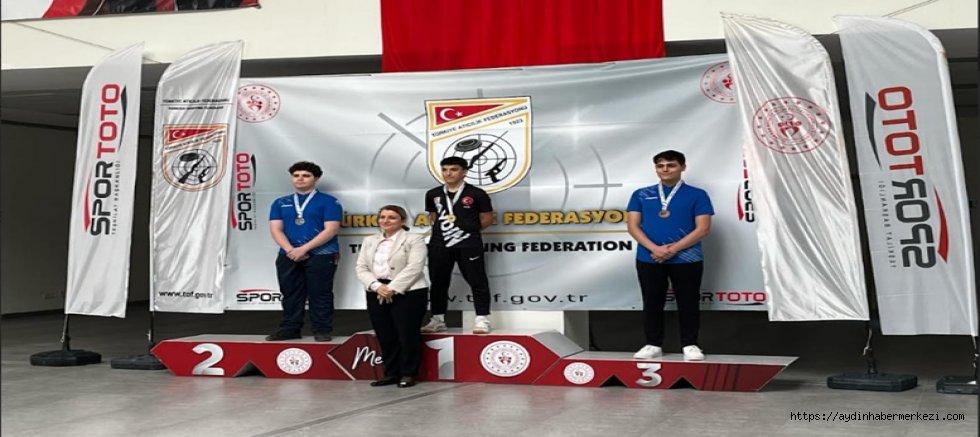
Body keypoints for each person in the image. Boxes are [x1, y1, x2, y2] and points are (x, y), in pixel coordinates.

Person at [626, 150, 714, 361]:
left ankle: (690, 344)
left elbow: (703, 228)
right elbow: (633, 226)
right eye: (660, 165)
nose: (665, 169)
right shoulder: (640, 194)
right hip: (649, 257)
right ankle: (653, 344)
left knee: (688, 301)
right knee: (652, 301)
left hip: (687, 258)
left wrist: (672, 250)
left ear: (683, 167)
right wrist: (655, 249)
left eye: (671, 165)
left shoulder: (697, 194)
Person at [265, 161, 343, 342]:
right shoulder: (280, 203)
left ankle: (322, 330)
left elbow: (331, 229)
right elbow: (276, 229)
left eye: (306, 175)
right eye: (296, 175)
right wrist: (290, 250)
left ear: (316, 179)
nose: (300, 179)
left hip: (322, 254)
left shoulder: (329, 201)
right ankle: (290, 329)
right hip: (288, 254)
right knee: (290, 293)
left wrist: (304, 249)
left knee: (320, 293)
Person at [355, 205, 429, 388]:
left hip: (409, 291)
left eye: (392, 217)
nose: (386, 221)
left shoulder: (414, 239)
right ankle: (391, 373)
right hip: (377, 290)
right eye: (382, 217)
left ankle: (408, 373)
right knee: (385, 334)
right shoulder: (369, 240)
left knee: (407, 333)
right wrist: (377, 286)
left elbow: (415, 267)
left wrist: (392, 288)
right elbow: (361, 267)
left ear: (403, 221)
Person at [421, 156, 495, 334]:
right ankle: (438, 319)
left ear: (464, 172)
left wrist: (468, 231)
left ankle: (482, 319)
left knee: (477, 281)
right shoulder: (433, 194)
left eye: (454, 169)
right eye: (445, 169)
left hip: (468, 244)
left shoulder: (477, 194)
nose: (448, 173)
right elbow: (433, 217)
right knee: (438, 282)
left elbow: (487, 219)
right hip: (440, 244)